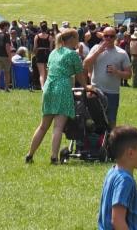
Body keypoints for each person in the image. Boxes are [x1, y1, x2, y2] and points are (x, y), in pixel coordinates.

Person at [25, 28, 96, 163]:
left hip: (49, 87)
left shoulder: (53, 52)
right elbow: (80, 74)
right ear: (72, 40)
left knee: (43, 126)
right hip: (62, 88)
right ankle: (54, 157)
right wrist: (86, 87)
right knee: (58, 127)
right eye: (77, 38)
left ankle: (30, 154)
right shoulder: (72, 54)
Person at [84, 27, 131, 125]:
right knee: (93, 120)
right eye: (106, 36)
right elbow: (85, 64)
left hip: (112, 93)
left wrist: (117, 72)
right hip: (96, 91)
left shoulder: (122, 53)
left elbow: (129, 75)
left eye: (111, 36)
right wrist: (98, 52)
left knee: (111, 121)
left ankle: (110, 140)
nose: (108, 38)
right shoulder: (96, 48)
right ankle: (97, 140)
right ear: (102, 36)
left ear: (115, 37)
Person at [0, 21, 15, 92]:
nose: (9, 28)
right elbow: (7, 46)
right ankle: (6, 88)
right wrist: (10, 57)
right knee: (6, 72)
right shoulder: (6, 35)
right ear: (5, 26)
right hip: (5, 56)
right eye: (8, 26)